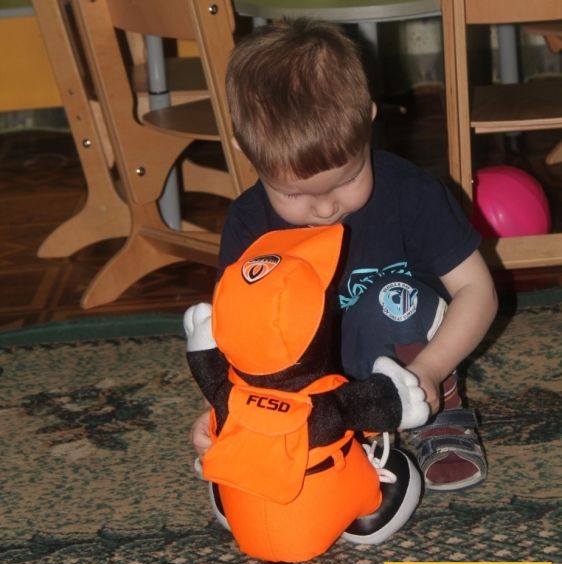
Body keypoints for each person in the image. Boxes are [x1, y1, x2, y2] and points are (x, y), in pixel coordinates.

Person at [190, 19, 498, 491]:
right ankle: (325, 428)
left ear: (369, 119)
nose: (325, 208)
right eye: (294, 194)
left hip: (407, 350)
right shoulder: (249, 222)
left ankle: (442, 409)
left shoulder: (413, 195)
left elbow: (477, 291)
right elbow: (237, 332)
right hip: (312, 379)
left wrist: (431, 370)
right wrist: (221, 406)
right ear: (245, 152)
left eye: (348, 179)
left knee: (389, 301)